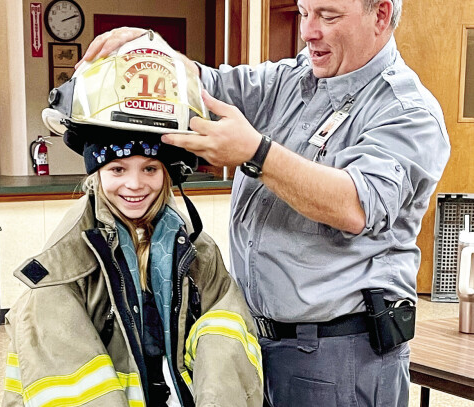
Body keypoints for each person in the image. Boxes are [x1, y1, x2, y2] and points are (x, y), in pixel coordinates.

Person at [80, 1, 451, 405]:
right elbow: (203, 86)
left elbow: (355, 205)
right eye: (304, 11)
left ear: (380, 15)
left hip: (338, 355)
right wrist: (154, 54)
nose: (308, 31)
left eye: (328, 16)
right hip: (257, 342)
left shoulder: (407, 112)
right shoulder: (292, 79)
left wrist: (256, 154)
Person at [2, 33, 263, 407]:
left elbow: (227, 333)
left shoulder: (196, 249)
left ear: (169, 173)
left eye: (151, 168)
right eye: (118, 168)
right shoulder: (62, 270)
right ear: (95, 174)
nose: (135, 185)